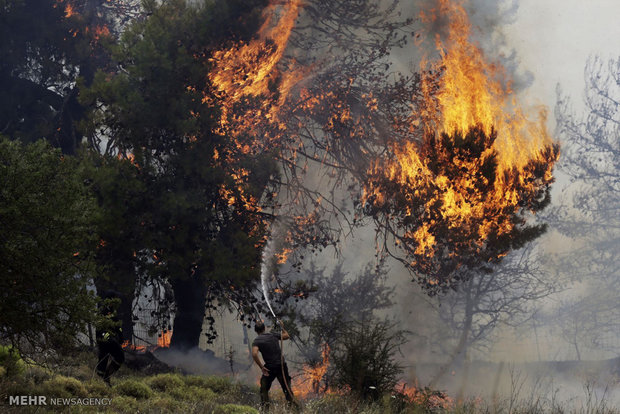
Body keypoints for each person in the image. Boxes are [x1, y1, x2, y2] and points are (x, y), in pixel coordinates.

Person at [252, 320, 296, 410]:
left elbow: (254, 354)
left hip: (270, 368)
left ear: (256, 331)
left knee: (264, 389)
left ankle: (265, 409)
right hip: (281, 366)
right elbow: (287, 336)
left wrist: (262, 367)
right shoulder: (272, 335)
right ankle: (292, 409)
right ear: (264, 329)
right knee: (287, 389)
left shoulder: (256, 341)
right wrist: (282, 327)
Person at [95, 290, 125, 386]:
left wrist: (120, 335)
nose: (117, 302)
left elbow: (117, 324)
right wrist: (108, 338)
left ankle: (106, 377)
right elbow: (100, 329)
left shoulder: (112, 310)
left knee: (120, 357)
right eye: (115, 299)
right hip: (103, 340)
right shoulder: (102, 310)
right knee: (103, 360)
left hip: (112, 340)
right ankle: (100, 382)